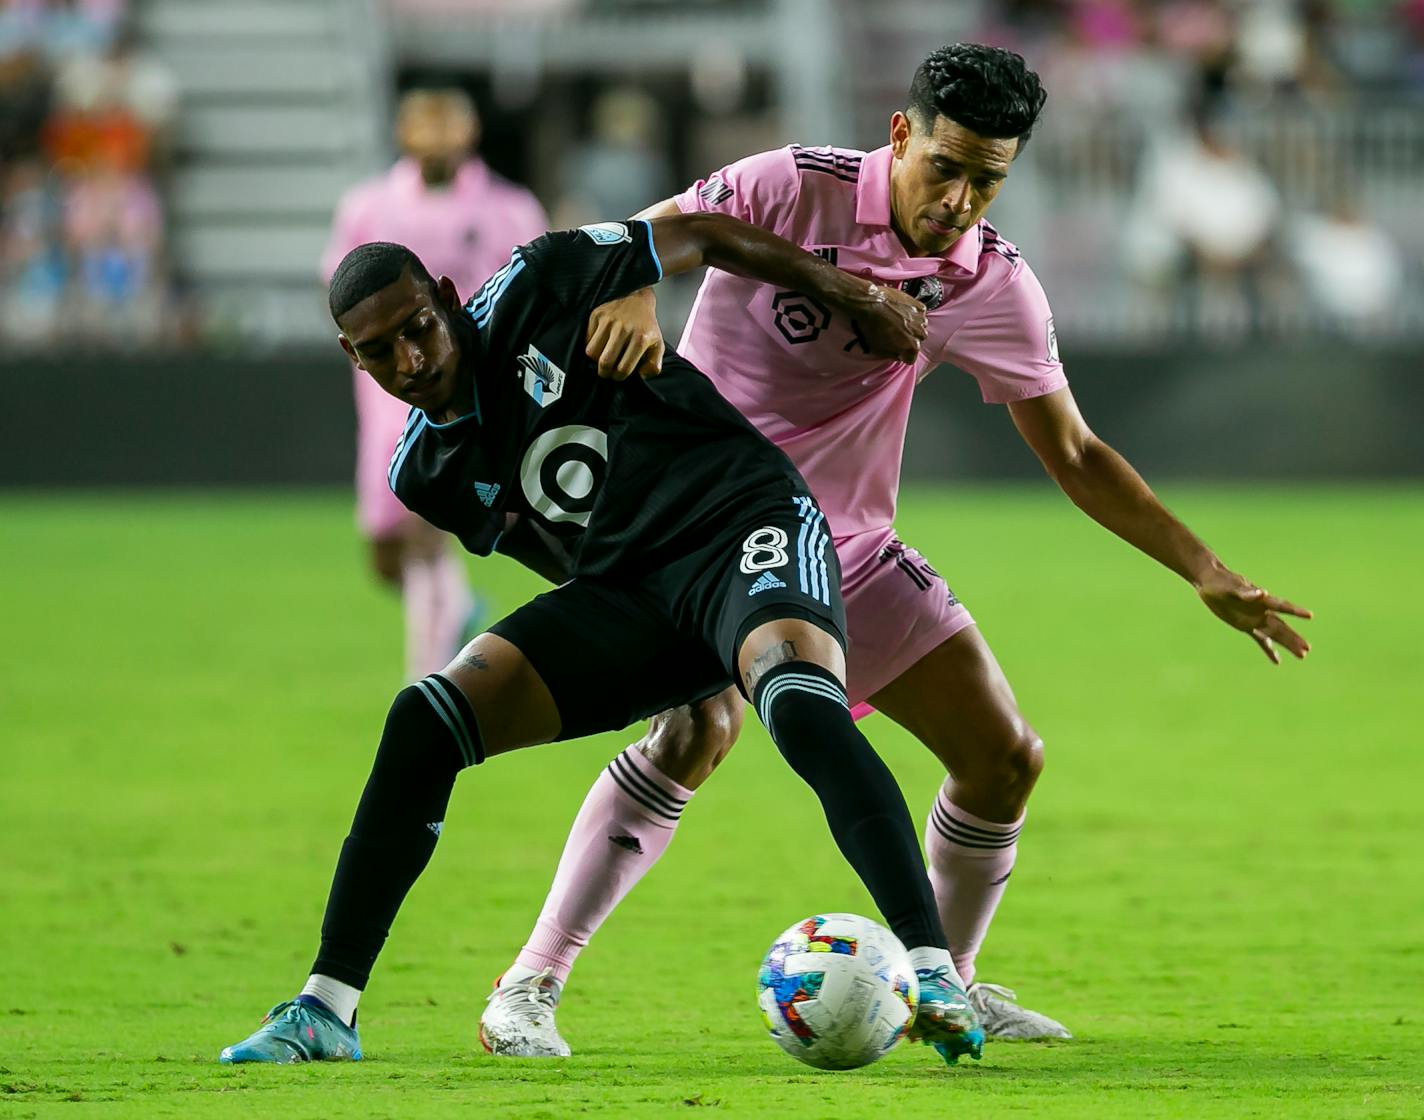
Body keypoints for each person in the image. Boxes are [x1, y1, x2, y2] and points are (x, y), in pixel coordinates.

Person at [479, 43, 1313, 1057]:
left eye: (988, 180)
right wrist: (628, 284)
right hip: (692, 534)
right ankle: (529, 983)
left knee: (1002, 757)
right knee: (692, 734)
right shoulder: (791, 187)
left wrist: (1203, 568)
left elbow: (1075, 450)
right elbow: (650, 238)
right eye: (946, 167)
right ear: (900, 134)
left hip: (847, 551)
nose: (960, 199)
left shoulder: (990, 283)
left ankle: (944, 986)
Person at [218, 211, 992, 1066]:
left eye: (419, 329)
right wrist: (672, 665)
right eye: (379, 351)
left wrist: (840, 291)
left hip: (742, 524)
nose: (410, 361)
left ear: (447, 299)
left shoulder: (536, 279)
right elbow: (559, 547)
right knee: (424, 720)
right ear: (349, 356)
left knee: (800, 709)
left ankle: (933, 969)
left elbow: (699, 228)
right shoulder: (424, 473)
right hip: (632, 591)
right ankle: (327, 1008)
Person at [321, 88, 547, 680]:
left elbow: (531, 292)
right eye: (427, 125)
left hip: (468, 389)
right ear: (405, 133)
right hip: (383, 397)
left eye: (450, 126)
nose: (438, 138)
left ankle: (425, 680)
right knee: (385, 552)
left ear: (469, 133)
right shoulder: (367, 206)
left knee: (427, 530)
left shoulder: (509, 209)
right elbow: (340, 294)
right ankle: (459, 606)